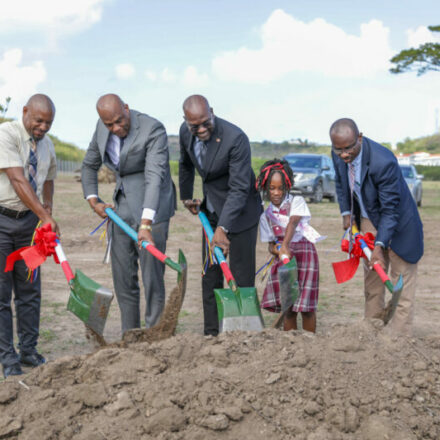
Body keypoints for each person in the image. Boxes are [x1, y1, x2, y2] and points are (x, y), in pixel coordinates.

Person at [81, 94, 175, 334]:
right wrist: (93, 200)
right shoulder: (102, 128)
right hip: (121, 207)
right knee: (123, 275)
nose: (115, 128)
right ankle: (130, 335)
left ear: (126, 108)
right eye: (109, 124)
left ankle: (154, 335)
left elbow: (154, 177)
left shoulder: (152, 129)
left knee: (152, 277)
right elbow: (89, 164)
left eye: (119, 121)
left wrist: (146, 224)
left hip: (153, 207)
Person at [330, 118, 423, 335]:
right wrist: (347, 213)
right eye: (339, 150)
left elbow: (390, 210)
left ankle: (399, 338)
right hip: (367, 220)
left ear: (360, 137)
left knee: (401, 282)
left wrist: (379, 246)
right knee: (373, 278)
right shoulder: (338, 153)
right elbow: (341, 183)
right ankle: (371, 332)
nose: (344, 155)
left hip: (399, 223)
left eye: (349, 148)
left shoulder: (383, 161)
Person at [179, 95, 262, 336]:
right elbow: (185, 164)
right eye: (195, 126)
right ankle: (212, 334)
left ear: (212, 112)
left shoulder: (235, 138)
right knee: (210, 276)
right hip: (212, 211)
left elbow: (239, 188)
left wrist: (222, 229)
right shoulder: (185, 132)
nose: (201, 129)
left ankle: (243, 334)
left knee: (241, 277)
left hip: (242, 213)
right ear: (186, 121)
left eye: (206, 122)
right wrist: (187, 196)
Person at [0, 94, 58, 378]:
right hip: (2, 221)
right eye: (38, 120)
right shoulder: (6, 135)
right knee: (1, 295)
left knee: (29, 291)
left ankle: (29, 351)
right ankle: (7, 358)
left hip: (29, 225)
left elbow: (49, 178)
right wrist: (46, 217)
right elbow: (17, 179)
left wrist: (47, 208)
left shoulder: (47, 145)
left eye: (48, 123)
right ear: (25, 111)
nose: (43, 127)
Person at [257, 159, 322, 332]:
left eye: (281, 188)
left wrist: (285, 244)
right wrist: (277, 249)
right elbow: (271, 245)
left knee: (307, 308)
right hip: (284, 261)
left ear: (287, 186)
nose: (276, 193)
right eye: (272, 188)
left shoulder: (297, 201)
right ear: (265, 187)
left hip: (304, 255)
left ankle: (310, 342)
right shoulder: (266, 216)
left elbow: (293, 222)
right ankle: (291, 343)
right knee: (289, 309)